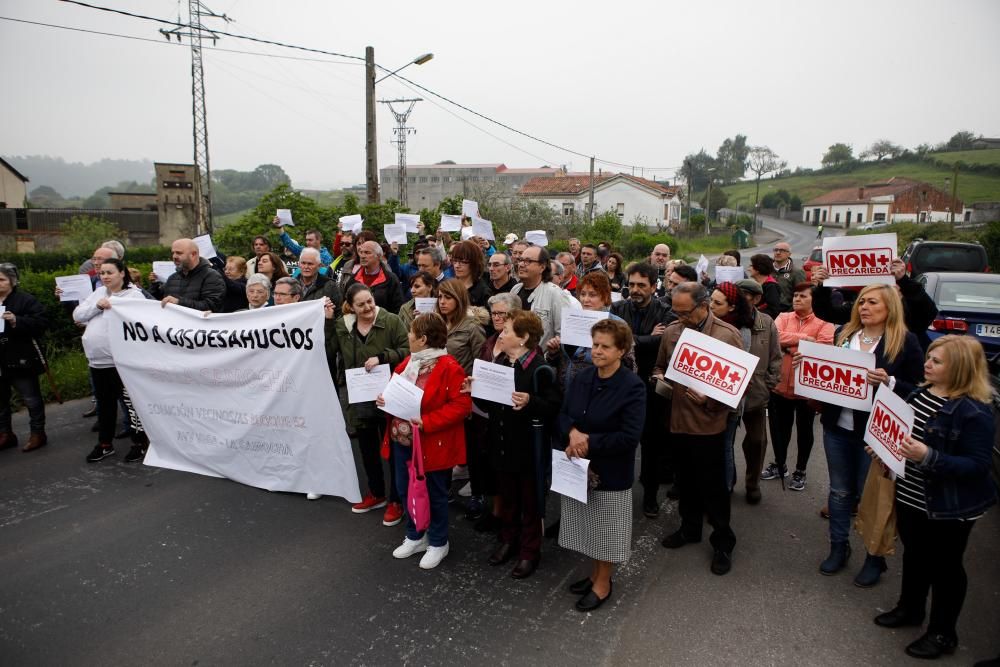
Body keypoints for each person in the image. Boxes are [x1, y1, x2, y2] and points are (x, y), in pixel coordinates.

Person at [873, 335, 997, 659]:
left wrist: (928, 455)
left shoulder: (974, 410)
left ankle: (943, 633)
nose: (927, 364)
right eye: (929, 358)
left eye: (937, 361)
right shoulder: (922, 391)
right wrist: (884, 448)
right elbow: (904, 433)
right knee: (914, 554)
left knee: (946, 568)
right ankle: (910, 609)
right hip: (913, 494)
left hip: (949, 506)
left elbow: (978, 465)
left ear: (960, 367)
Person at [814, 283, 924, 587]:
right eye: (861, 302)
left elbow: (918, 389)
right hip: (838, 427)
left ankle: (875, 557)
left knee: (871, 497)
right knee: (839, 492)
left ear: (889, 307)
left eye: (872, 302)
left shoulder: (905, 341)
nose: (863, 307)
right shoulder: (843, 335)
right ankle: (839, 547)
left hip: (875, 435)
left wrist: (889, 381)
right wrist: (809, 369)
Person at [654, 282, 743, 576]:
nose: (679, 317)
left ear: (703, 305)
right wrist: (660, 379)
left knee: (713, 486)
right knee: (686, 480)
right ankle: (689, 528)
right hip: (677, 421)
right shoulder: (671, 332)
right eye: (675, 312)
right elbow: (661, 366)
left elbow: (738, 388)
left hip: (709, 425)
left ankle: (723, 541)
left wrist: (711, 400)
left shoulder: (727, 336)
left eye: (685, 312)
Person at [556, 319, 645, 611]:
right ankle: (594, 573)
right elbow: (563, 413)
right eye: (594, 345)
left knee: (606, 531)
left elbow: (630, 437)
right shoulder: (583, 377)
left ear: (621, 350)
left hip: (610, 470)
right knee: (587, 526)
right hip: (579, 466)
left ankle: (603, 583)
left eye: (605, 347)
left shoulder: (632, 387)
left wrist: (588, 442)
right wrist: (571, 432)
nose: (597, 351)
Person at [464, 310, 560, 579]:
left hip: (528, 449)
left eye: (506, 331)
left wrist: (531, 402)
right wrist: (476, 391)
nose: (501, 335)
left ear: (524, 338)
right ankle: (508, 540)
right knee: (508, 497)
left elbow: (553, 407)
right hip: (502, 444)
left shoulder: (540, 369)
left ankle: (530, 551)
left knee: (530, 502)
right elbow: (490, 406)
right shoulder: (502, 364)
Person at [381, 312, 472, 570]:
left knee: (434, 493)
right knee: (405, 489)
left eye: (411, 333)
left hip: (431, 443)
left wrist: (428, 422)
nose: (407, 336)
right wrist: (384, 399)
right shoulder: (409, 362)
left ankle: (438, 541)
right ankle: (415, 535)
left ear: (422, 339)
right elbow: (394, 390)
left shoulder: (449, 367)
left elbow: (462, 405)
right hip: (402, 441)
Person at [326, 283, 410, 522]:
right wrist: (329, 322)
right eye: (360, 304)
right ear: (350, 307)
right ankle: (376, 493)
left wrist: (383, 357)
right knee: (367, 449)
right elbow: (330, 349)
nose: (367, 308)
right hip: (359, 396)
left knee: (394, 450)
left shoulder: (392, 321)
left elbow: (407, 350)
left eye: (370, 301)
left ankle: (396, 500)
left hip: (388, 396)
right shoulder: (344, 325)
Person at [610, 262, 674, 516]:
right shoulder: (617, 307)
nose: (635, 290)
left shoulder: (665, 311)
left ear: (653, 286)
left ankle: (650, 496)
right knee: (617, 440)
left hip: (650, 386)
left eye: (641, 285)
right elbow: (615, 341)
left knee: (651, 445)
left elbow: (663, 342)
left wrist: (630, 338)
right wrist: (645, 337)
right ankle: (612, 494)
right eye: (632, 284)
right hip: (619, 385)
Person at [73, 259, 148, 463]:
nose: (105, 276)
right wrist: (98, 306)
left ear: (122, 273)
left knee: (130, 403)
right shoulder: (98, 293)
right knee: (105, 405)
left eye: (110, 272)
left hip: (121, 362)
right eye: (102, 273)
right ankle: (105, 444)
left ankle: (139, 443)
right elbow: (78, 315)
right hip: (97, 362)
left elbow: (141, 324)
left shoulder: (133, 295)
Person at [764, 283, 834, 490]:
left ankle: (800, 470)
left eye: (803, 296)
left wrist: (789, 346)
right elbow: (773, 337)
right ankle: (779, 464)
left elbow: (824, 348)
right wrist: (804, 339)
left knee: (805, 432)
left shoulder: (824, 323)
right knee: (779, 430)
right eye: (795, 295)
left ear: (814, 300)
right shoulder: (784, 317)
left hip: (807, 390)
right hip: (780, 386)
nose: (797, 299)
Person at [732, 280, 782, 505]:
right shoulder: (726, 319)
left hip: (756, 393)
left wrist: (769, 384)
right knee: (724, 442)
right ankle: (727, 481)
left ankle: (752, 484)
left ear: (756, 299)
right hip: (728, 392)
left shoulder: (766, 322)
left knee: (756, 441)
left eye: (745, 295)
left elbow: (775, 357)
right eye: (737, 294)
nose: (740, 298)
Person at [0, 264, 48, 453]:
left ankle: (38, 434)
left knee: (31, 398)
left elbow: (41, 323)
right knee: (1, 400)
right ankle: (5, 434)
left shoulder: (25, 300)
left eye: (1, 279)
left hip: (20, 357)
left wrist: (16, 321)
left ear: (12, 281)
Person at [509, 245, 567, 348]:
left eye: (528, 261)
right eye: (521, 260)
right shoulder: (515, 290)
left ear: (542, 267)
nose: (521, 264)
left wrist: (551, 353)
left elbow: (563, 333)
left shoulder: (555, 294)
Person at [149, 238, 227, 313]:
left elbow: (212, 307)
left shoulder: (212, 277)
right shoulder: (173, 278)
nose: (174, 256)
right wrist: (154, 285)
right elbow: (157, 301)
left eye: (179, 253)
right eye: (173, 253)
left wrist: (179, 302)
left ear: (193, 254)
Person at [344, 241, 404, 314]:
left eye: (367, 253)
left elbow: (398, 308)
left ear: (379, 256)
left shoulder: (390, 279)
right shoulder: (353, 280)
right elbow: (346, 307)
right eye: (361, 252)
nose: (362, 256)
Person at [449, 240, 490, 308]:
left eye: (463, 262)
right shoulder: (449, 286)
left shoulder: (483, 292)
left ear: (474, 263)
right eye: (455, 261)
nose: (457, 265)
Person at [747, 253, 783, 319]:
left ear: (758, 269)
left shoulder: (771, 286)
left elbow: (773, 311)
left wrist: (751, 314)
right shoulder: (756, 284)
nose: (748, 269)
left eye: (751, 266)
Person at [772, 242, 806, 312]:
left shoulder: (797, 272)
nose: (778, 252)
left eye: (782, 250)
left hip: (786, 312)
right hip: (766, 313)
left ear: (789, 254)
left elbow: (801, 295)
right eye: (776, 250)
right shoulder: (766, 269)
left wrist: (789, 314)